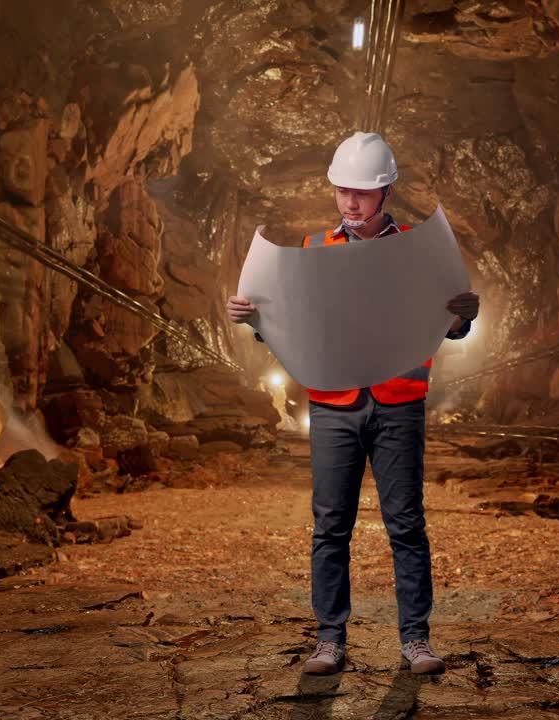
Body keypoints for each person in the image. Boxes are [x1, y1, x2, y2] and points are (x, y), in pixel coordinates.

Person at [227, 132, 480, 676]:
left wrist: (464, 315)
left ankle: (416, 640)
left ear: (386, 191)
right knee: (330, 526)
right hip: (334, 404)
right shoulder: (314, 249)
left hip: (399, 401)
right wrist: (255, 320)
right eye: (343, 191)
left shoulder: (418, 250)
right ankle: (329, 641)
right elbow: (294, 327)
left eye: (362, 192)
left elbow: (447, 325)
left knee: (405, 524)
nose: (351, 202)